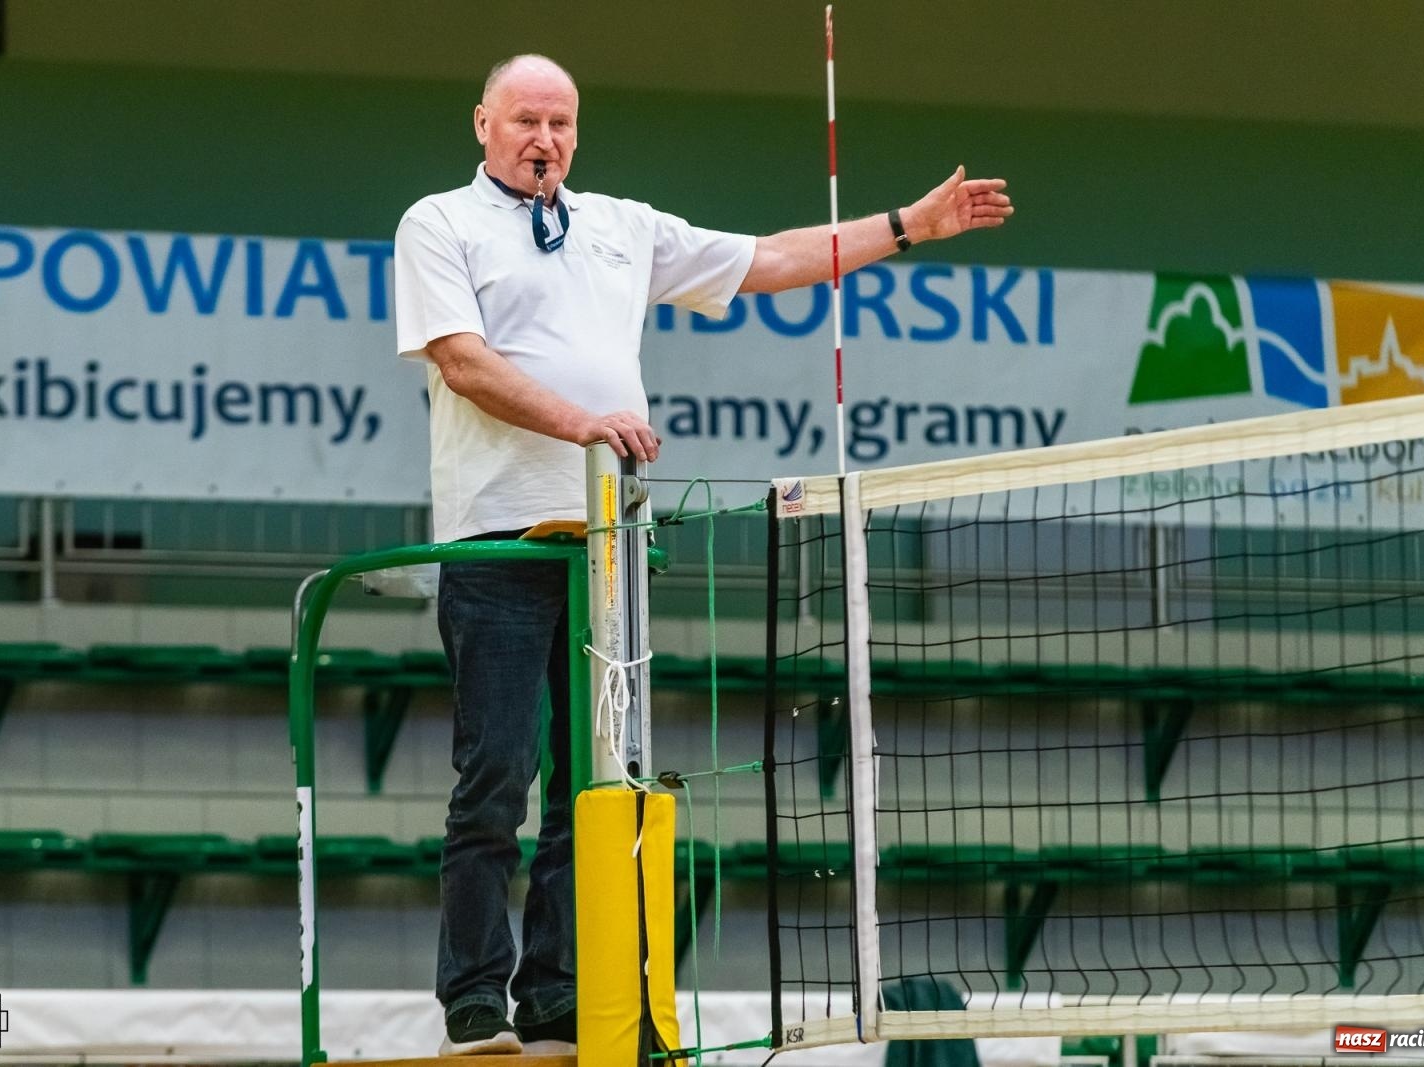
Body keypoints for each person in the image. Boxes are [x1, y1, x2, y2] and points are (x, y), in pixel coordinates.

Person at [392, 53, 1012, 1057]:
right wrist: (587, 424)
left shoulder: (620, 226)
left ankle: (558, 995)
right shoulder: (438, 223)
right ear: (482, 126)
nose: (542, 138)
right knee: (494, 780)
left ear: (577, 133)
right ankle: (474, 1004)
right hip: (499, 541)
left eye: (559, 121)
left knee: (592, 787)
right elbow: (462, 362)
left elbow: (768, 259)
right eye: (523, 121)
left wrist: (904, 226)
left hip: (607, 555)